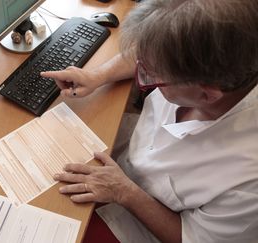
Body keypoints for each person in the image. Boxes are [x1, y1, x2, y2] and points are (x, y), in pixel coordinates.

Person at [41, 0, 258, 242]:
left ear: (206, 94)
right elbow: (150, 51)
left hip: (136, 224)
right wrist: (96, 76)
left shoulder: (247, 179)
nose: (143, 73)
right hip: (124, 159)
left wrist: (124, 192)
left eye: (151, 74)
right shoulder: (194, 69)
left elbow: (193, 238)